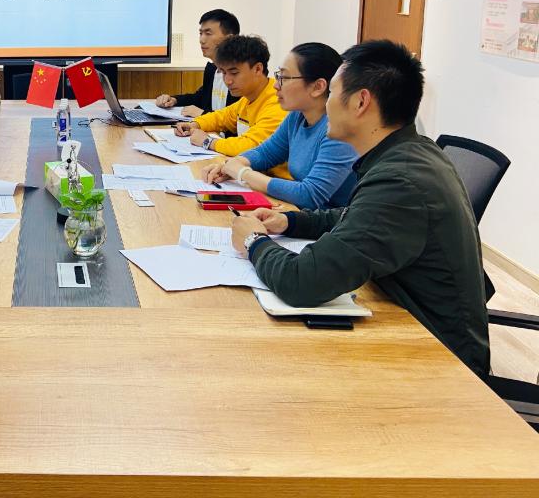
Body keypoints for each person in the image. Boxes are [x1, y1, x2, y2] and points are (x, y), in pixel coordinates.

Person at [230, 40, 490, 378]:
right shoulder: (410, 152)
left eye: (333, 92)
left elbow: (301, 281)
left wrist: (254, 241)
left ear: (361, 102)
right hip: (403, 322)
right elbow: (355, 215)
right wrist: (290, 222)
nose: (326, 102)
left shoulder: (400, 180)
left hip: (437, 362)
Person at [200, 43, 357, 209]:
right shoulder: (297, 116)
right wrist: (232, 164)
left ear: (318, 87)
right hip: (299, 212)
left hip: (329, 221)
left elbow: (310, 194)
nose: (276, 84)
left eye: (285, 78)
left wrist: (242, 173)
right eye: (278, 76)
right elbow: (266, 152)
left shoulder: (340, 131)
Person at [174, 35, 287, 164]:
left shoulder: (278, 102)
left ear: (257, 69)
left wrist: (208, 142)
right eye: (223, 73)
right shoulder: (248, 97)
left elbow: (252, 146)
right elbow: (223, 117)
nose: (227, 81)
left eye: (234, 73)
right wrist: (194, 124)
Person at [155, 8, 240, 117]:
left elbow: (238, 117)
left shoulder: (241, 74)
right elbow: (200, 97)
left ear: (229, 39)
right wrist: (174, 100)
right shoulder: (212, 69)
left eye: (208, 33)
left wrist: (203, 114)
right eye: (201, 33)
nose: (201, 40)